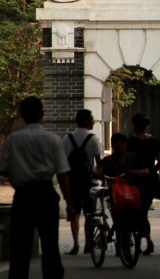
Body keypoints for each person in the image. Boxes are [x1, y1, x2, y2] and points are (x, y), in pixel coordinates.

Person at [0, 96, 75, 279]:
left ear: (22, 116)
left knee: (20, 248)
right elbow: (63, 173)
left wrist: (16, 180)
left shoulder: (13, 140)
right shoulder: (52, 139)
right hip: (46, 194)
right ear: (42, 115)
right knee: (50, 246)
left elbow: (2, 169)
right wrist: (69, 203)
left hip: (23, 196)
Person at [60, 109, 102, 255]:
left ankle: (76, 244)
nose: (93, 121)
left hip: (72, 182)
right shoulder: (93, 139)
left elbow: (63, 163)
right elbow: (99, 164)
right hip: (89, 182)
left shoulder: (67, 138)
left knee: (75, 214)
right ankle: (88, 244)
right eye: (91, 119)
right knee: (89, 214)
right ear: (85, 121)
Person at [96, 133, 150, 246]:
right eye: (117, 143)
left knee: (136, 217)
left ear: (126, 144)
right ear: (113, 145)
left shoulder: (133, 157)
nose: (120, 145)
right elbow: (97, 170)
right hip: (116, 195)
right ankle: (121, 239)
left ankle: (135, 237)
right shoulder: (109, 160)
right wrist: (100, 175)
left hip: (132, 194)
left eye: (123, 142)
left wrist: (134, 172)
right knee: (118, 217)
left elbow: (146, 171)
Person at [127, 112, 160, 255]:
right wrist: (150, 171)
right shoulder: (154, 141)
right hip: (150, 182)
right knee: (143, 212)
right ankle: (147, 240)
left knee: (135, 212)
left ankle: (141, 239)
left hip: (132, 180)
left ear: (134, 126)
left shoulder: (130, 142)